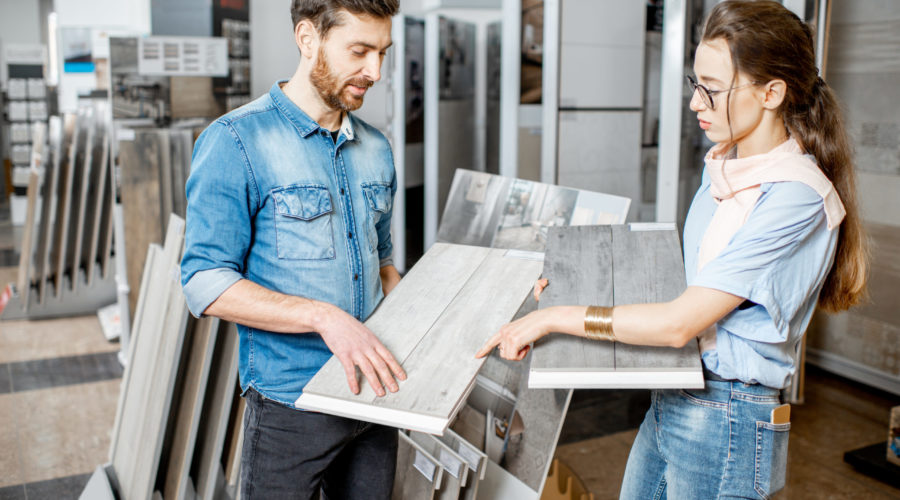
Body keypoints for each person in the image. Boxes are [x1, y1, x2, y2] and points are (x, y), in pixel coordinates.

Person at [476, 1, 868, 498]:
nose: (695, 103)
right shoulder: (726, 169)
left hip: (728, 415)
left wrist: (554, 317)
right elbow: (681, 282)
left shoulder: (795, 196)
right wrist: (569, 286)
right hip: (676, 394)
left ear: (772, 93)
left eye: (713, 89)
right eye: (695, 84)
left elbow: (680, 321)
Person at [180, 1, 405, 498]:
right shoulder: (235, 141)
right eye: (361, 51)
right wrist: (323, 317)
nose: (376, 71)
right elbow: (205, 282)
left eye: (383, 52)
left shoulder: (376, 148)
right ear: (308, 39)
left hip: (374, 398)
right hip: (291, 405)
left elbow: (384, 262)